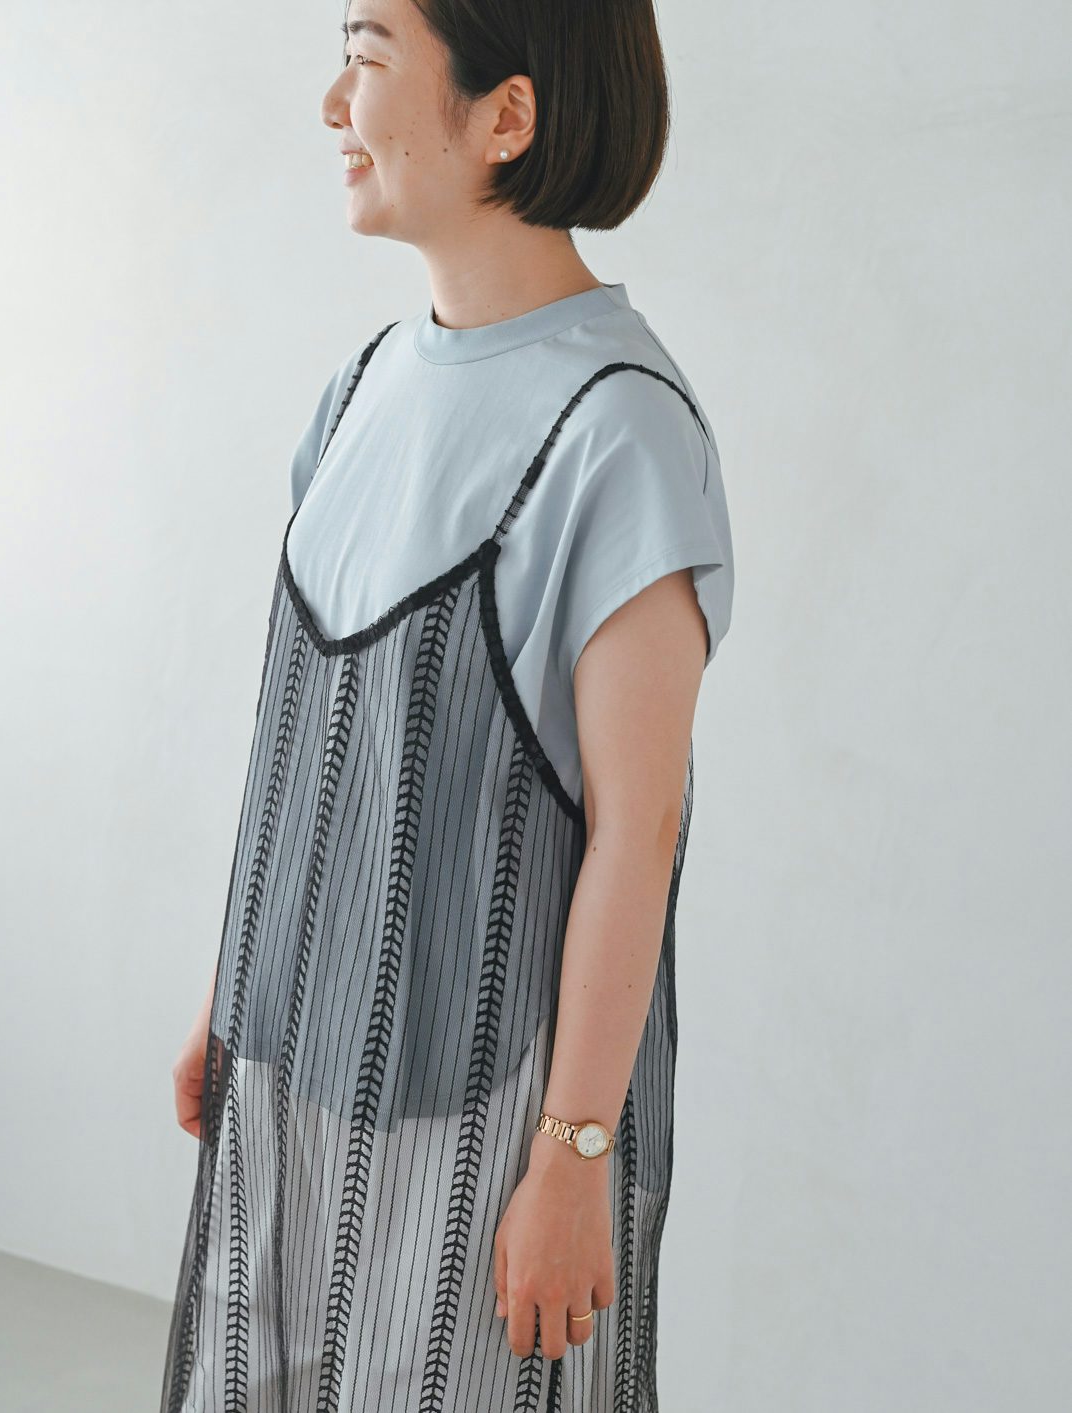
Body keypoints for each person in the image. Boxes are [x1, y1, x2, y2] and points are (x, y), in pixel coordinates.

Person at [159, 0, 734, 1408]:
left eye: (365, 59)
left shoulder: (618, 429)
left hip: (481, 1128)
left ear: (506, 118)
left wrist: (572, 1160)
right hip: (288, 1080)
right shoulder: (359, 388)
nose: (330, 104)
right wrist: (231, 994)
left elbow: (636, 834)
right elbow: (307, 753)